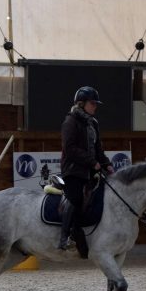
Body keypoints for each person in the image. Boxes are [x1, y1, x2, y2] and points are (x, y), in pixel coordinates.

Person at [58, 86, 114, 253]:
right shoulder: (70, 122)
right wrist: (91, 162)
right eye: (92, 103)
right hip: (73, 170)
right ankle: (64, 237)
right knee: (74, 198)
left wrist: (106, 164)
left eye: (96, 103)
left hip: (90, 171)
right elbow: (70, 148)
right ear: (81, 104)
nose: (95, 106)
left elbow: (98, 149)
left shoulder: (93, 123)